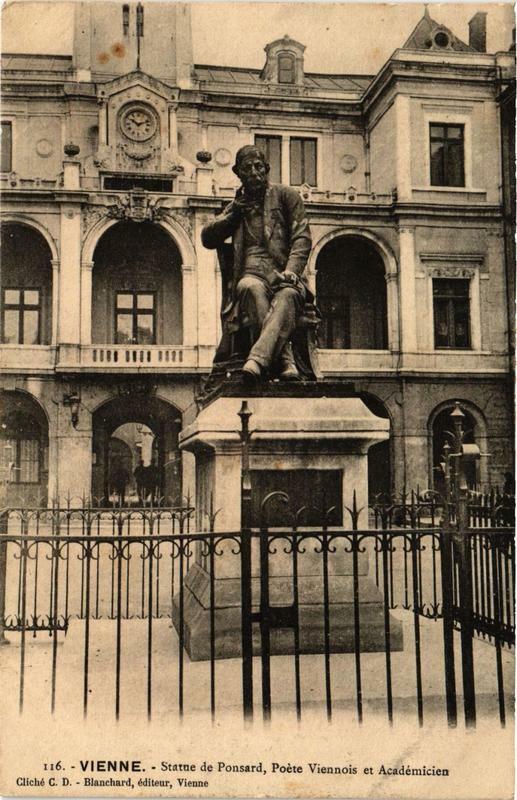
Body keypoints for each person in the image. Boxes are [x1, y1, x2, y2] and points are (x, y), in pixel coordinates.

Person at [201, 145, 314, 382]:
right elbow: (207, 238)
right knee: (248, 288)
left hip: (284, 274)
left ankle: (258, 360)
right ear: (238, 173)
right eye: (247, 168)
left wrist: (292, 272)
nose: (254, 172)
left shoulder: (286, 195)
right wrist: (233, 216)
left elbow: (302, 237)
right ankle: (284, 359)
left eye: (258, 166)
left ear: (267, 169)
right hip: (251, 274)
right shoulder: (236, 207)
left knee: (287, 296)